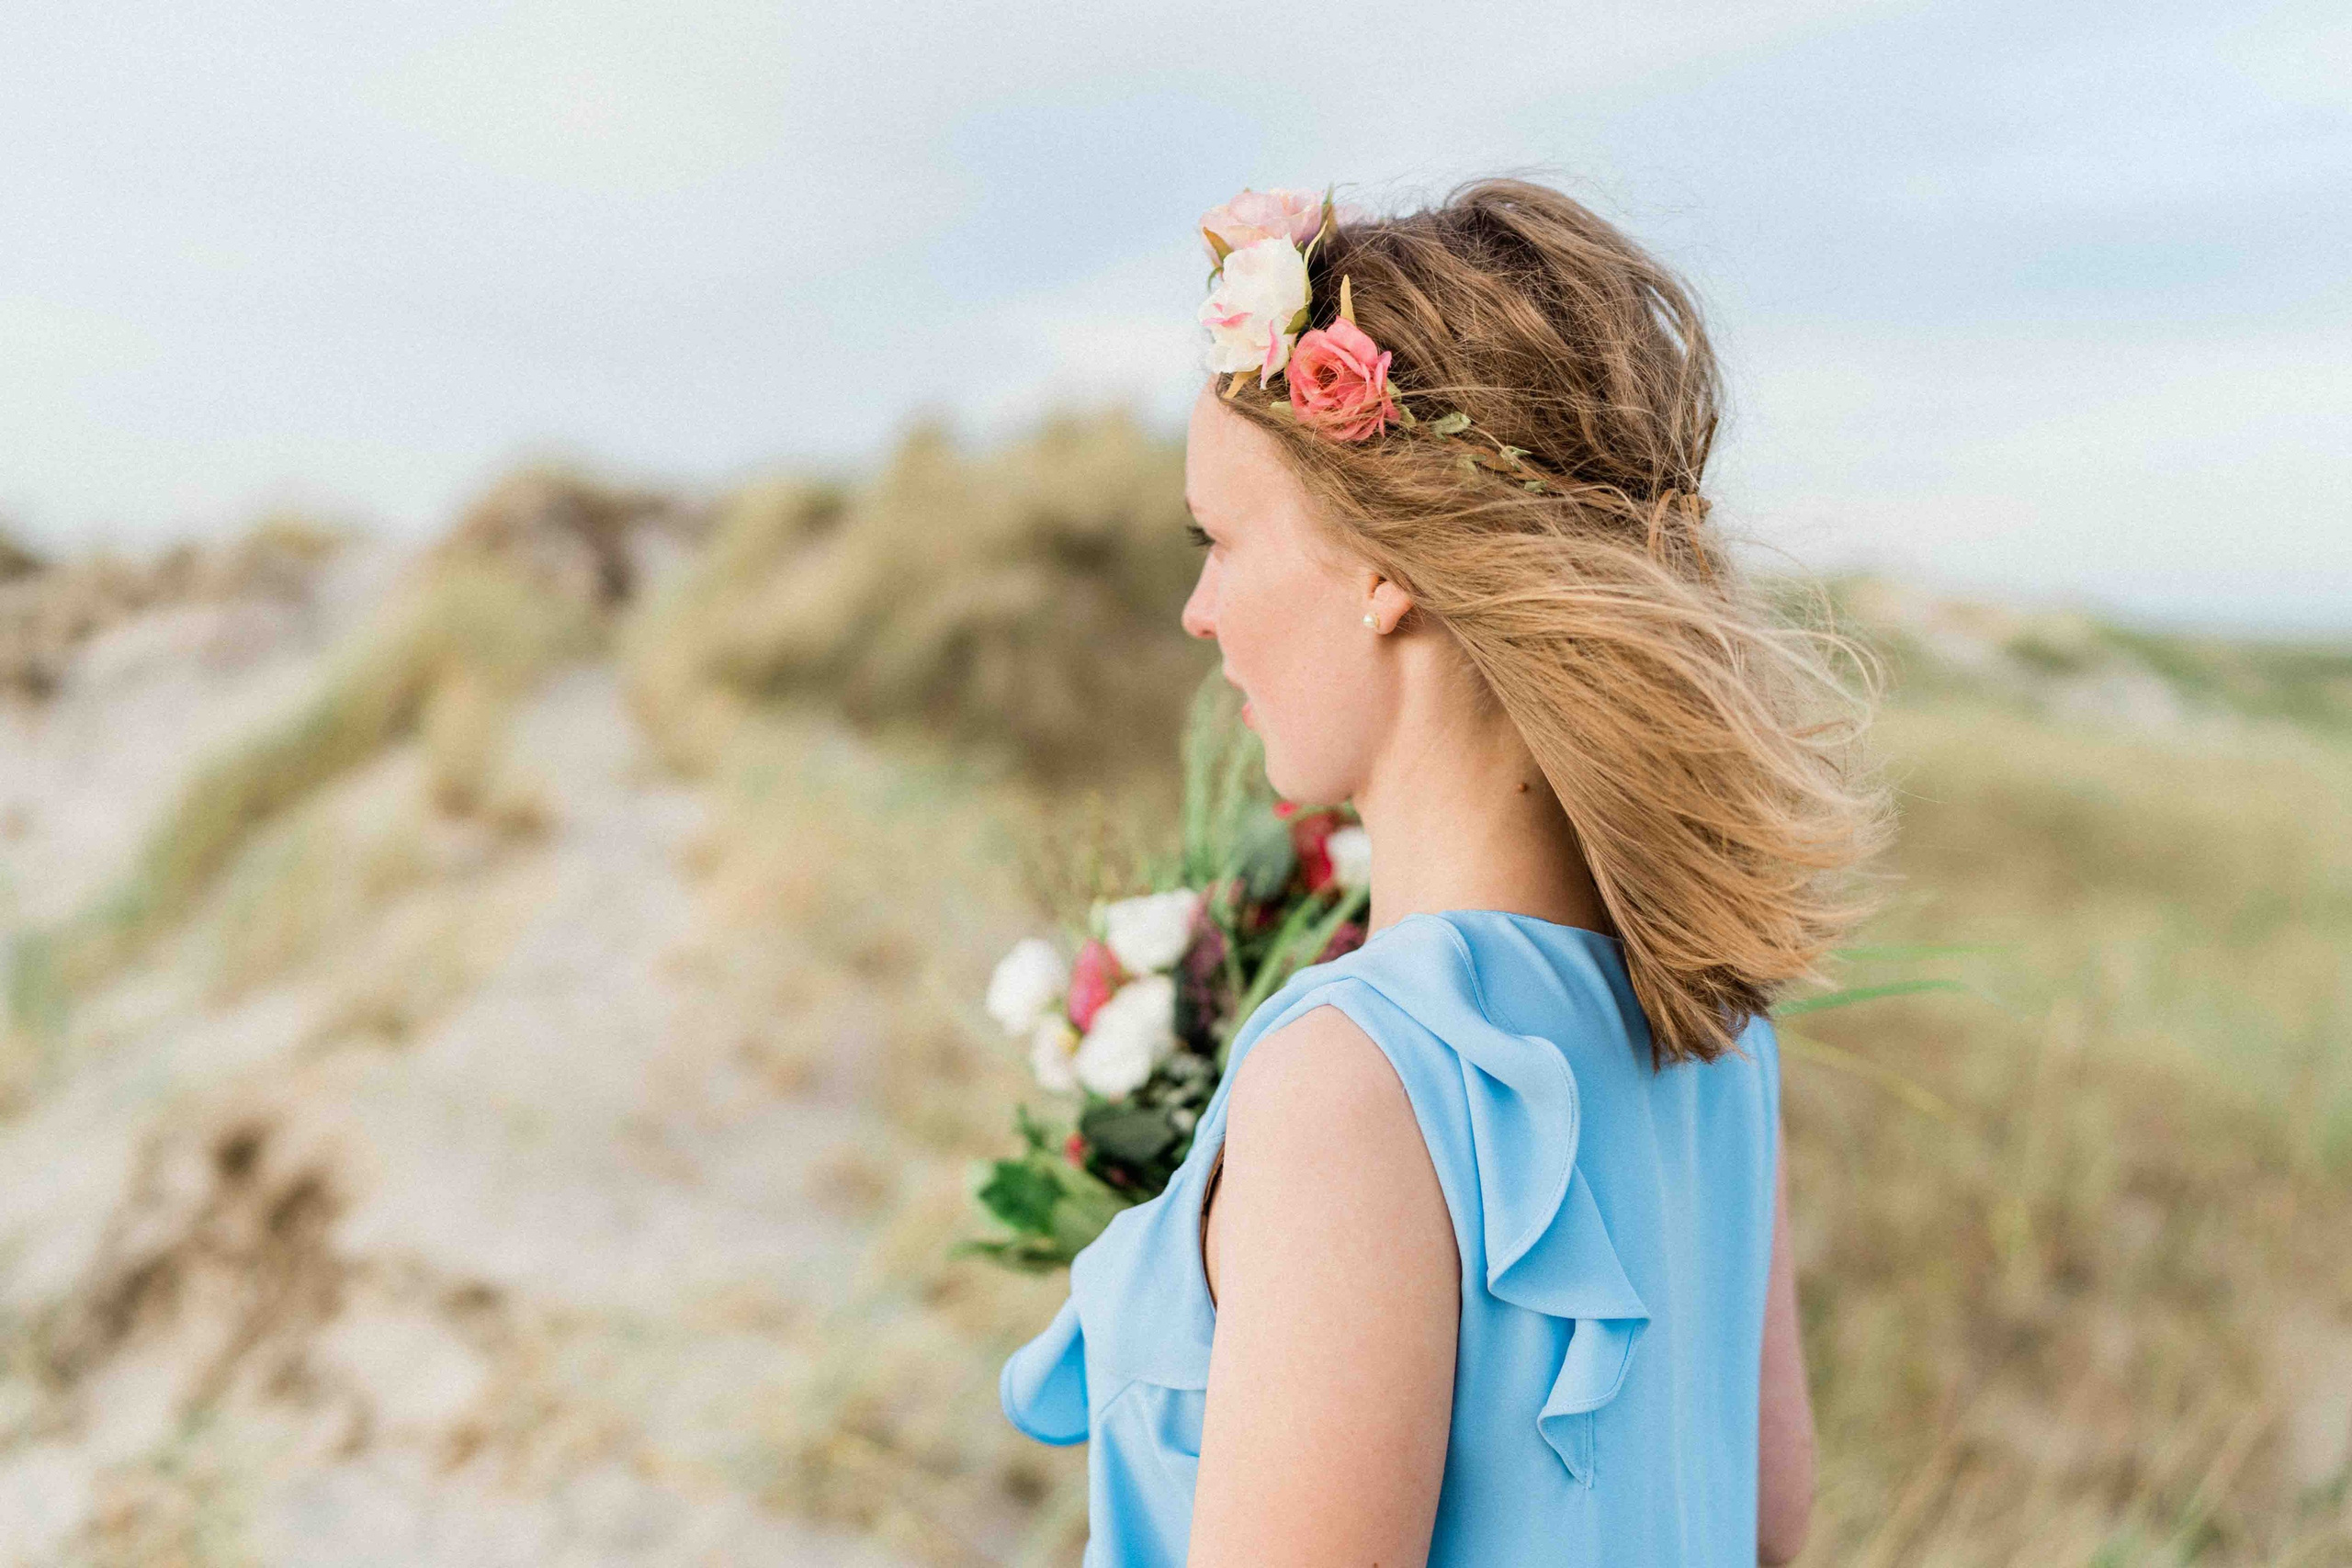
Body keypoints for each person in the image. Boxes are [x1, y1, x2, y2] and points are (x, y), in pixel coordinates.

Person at [999, 176, 1889, 1567]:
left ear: (1377, 565)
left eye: (1221, 540)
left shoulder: (1358, 1081)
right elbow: (1767, 1527)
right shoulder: (1715, 1018)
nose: (1199, 610)